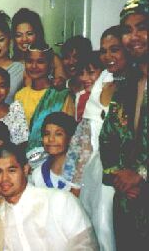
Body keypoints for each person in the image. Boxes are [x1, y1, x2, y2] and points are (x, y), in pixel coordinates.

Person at [63, 25, 131, 251]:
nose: (108, 56)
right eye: (104, 50)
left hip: (127, 171)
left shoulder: (136, 82)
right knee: (98, 229)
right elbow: (85, 134)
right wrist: (76, 181)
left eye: (115, 49)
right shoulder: (102, 78)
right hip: (95, 170)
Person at [99, 0, 148, 249]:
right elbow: (108, 137)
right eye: (128, 30)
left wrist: (140, 175)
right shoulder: (128, 83)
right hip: (127, 202)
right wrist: (120, 175)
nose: (134, 37)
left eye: (142, 27)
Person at [0, 143, 99, 250]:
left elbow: (87, 246)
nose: (4, 178)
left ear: (25, 170)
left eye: (11, 170)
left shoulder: (60, 201)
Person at [14, 42, 74, 164]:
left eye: (40, 61)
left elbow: (69, 134)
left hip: (54, 161)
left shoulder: (61, 95)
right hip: (25, 160)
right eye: (30, 61)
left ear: (51, 65)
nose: (34, 66)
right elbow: (16, 134)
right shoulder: (20, 95)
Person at [11, 8, 66, 88]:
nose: (24, 39)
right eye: (19, 35)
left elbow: (62, 88)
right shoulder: (13, 64)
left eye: (29, 34)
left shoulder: (53, 59)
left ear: (38, 34)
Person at [30, 112, 77, 190]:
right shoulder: (38, 175)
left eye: (58, 134)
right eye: (47, 134)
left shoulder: (79, 175)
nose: (51, 139)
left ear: (70, 139)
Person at [74, 51, 104, 122]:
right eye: (81, 73)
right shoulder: (80, 97)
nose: (84, 78)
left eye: (91, 72)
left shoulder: (111, 96)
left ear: (104, 72)